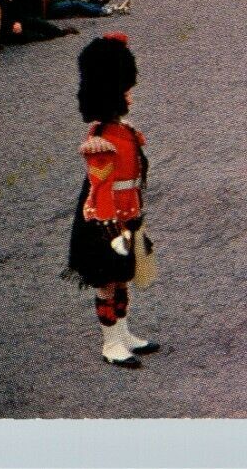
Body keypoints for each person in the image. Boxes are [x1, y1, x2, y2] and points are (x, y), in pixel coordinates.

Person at [65, 34, 161, 368]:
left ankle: (123, 333)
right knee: (107, 282)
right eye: (126, 89)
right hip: (105, 223)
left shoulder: (124, 131)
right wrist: (112, 229)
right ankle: (110, 343)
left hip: (126, 216)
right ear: (112, 92)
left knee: (122, 278)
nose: (131, 94)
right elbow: (102, 190)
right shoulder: (100, 141)